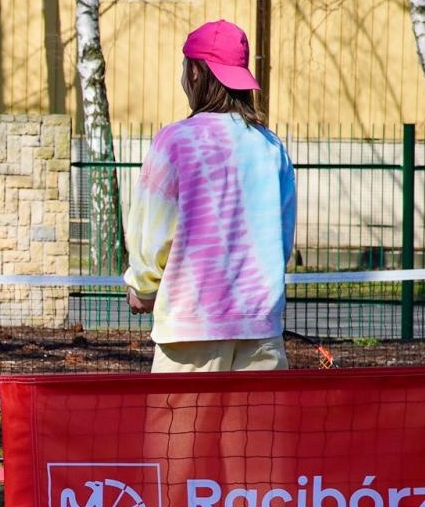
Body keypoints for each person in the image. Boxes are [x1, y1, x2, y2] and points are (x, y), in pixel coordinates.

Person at [123, 20, 297, 372]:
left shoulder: (174, 142)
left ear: (197, 72)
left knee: (180, 430)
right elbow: (282, 238)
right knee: (256, 431)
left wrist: (142, 287)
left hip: (191, 329)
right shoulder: (271, 147)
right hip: (261, 330)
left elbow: (152, 231)